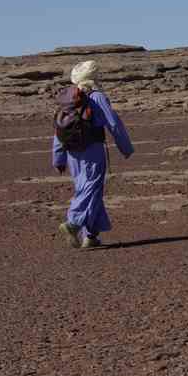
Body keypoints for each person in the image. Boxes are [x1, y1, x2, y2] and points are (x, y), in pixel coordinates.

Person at [53, 60, 134, 249]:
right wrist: (125, 147)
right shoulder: (97, 97)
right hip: (93, 150)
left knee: (90, 189)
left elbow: (58, 130)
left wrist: (58, 157)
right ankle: (73, 224)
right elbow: (113, 123)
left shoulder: (68, 99)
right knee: (90, 189)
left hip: (73, 153)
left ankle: (90, 236)